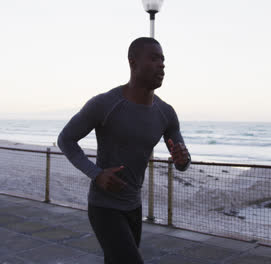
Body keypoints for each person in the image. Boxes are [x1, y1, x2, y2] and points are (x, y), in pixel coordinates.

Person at [57, 37, 191, 264]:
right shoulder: (105, 104)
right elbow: (66, 139)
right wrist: (96, 174)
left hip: (134, 207)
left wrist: (183, 159)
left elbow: (182, 162)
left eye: (163, 60)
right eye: (154, 58)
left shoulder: (166, 113)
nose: (162, 65)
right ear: (133, 63)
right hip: (104, 207)